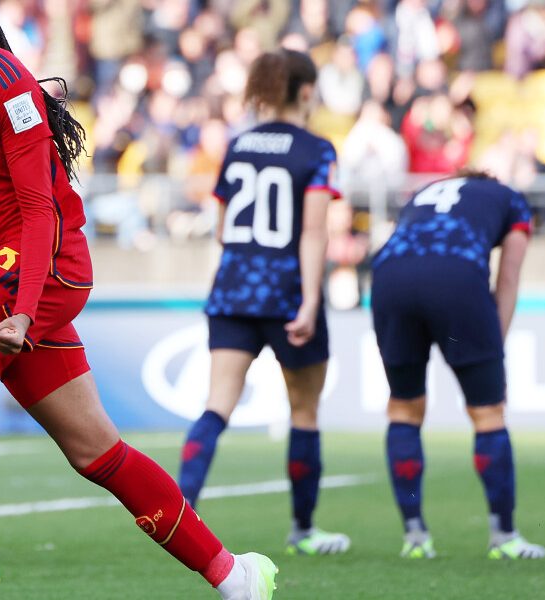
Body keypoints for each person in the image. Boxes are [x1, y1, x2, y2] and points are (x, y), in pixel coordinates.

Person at [0, 2, 276, 599]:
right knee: (98, 454)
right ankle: (234, 575)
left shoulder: (1, 80)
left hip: (42, 268)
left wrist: (26, 309)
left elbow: (39, 209)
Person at [177, 49, 351, 557]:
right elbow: (314, 231)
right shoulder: (317, 149)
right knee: (304, 412)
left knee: (216, 405)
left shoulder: (237, 145)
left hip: (233, 287)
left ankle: (179, 516)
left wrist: (227, 281)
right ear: (303, 91)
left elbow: (226, 225)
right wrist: (312, 300)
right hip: (287, 290)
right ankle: (303, 530)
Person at [370, 171, 545, 561]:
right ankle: (504, 537)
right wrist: (492, 353)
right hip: (456, 275)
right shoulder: (511, 198)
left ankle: (415, 537)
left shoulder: (425, 191)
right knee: (487, 413)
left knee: (403, 406)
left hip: (389, 275)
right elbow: (509, 277)